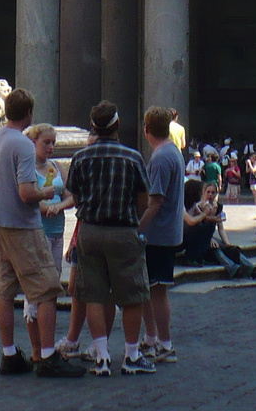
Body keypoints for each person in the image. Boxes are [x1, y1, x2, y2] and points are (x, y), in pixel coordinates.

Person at [0, 86, 84, 378]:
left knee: (5, 291)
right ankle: (47, 356)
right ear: (30, 113)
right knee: (46, 288)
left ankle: (10, 355)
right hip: (22, 226)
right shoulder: (22, 145)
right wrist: (45, 192)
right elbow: (26, 193)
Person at [64, 101, 154, 376]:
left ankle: (102, 357)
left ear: (93, 127)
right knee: (131, 296)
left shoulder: (81, 158)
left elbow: (75, 197)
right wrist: (133, 224)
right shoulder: (133, 157)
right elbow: (143, 201)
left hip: (90, 232)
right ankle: (131, 355)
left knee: (93, 295)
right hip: (123, 231)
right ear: (117, 126)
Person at [138, 106, 184, 366]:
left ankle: (165, 343)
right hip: (166, 232)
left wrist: (137, 228)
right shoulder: (172, 151)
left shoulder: (160, 158)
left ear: (146, 129)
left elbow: (154, 202)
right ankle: (152, 337)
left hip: (158, 235)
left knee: (157, 291)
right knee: (151, 289)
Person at [23, 123, 72, 360]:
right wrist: (45, 208)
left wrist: (60, 206)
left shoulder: (56, 166)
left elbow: (70, 196)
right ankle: (36, 349)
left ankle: (46, 347)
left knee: (51, 289)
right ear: (34, 142)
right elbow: (26, 198)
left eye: (53, 142)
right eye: (46, 142)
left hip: (56, 232)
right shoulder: (27, 168)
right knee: (35, 292)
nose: (51, 147)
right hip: (37, 232)